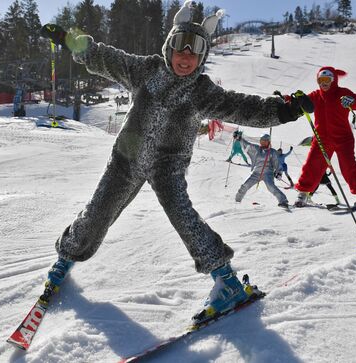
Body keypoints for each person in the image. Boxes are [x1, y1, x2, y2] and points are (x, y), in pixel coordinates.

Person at [39, 1, 311, 324]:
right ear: (169, 48)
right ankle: (67, 256)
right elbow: (105, 58)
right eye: (180, 51)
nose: (185, 60)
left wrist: (283, 110)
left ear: (202, 58)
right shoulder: (146, 70)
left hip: (168, 166)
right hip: (128, 157)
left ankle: (226, 281)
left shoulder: (202, 91)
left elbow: (242, 107)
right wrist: (72, 39)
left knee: (185, 220)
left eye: (193, 55)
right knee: (98, 211)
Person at [294, 66, 356, 208]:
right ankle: (303, 194)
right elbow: (302, 105)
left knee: (348, 166)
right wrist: (293, 100)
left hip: (343, 138)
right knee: (312, 164)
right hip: (321, 139)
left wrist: (352, 101)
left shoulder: (342, 93)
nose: (324, 83)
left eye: (327, 79)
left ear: (334, 80)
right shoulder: (316, 95)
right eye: (321, 80)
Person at [235, 133, 289, 208]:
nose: (263, 142)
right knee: (245, 185)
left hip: (268, 173)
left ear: (268, 142)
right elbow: (248, 145)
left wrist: (279, 172)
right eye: (261, 140)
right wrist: (240, 139)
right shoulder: (257, 149)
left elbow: (277, 163)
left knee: (271, 187)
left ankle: (283, 201)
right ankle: (237, 201)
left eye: (265, 141)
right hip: (256, 173)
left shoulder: (272, 152)